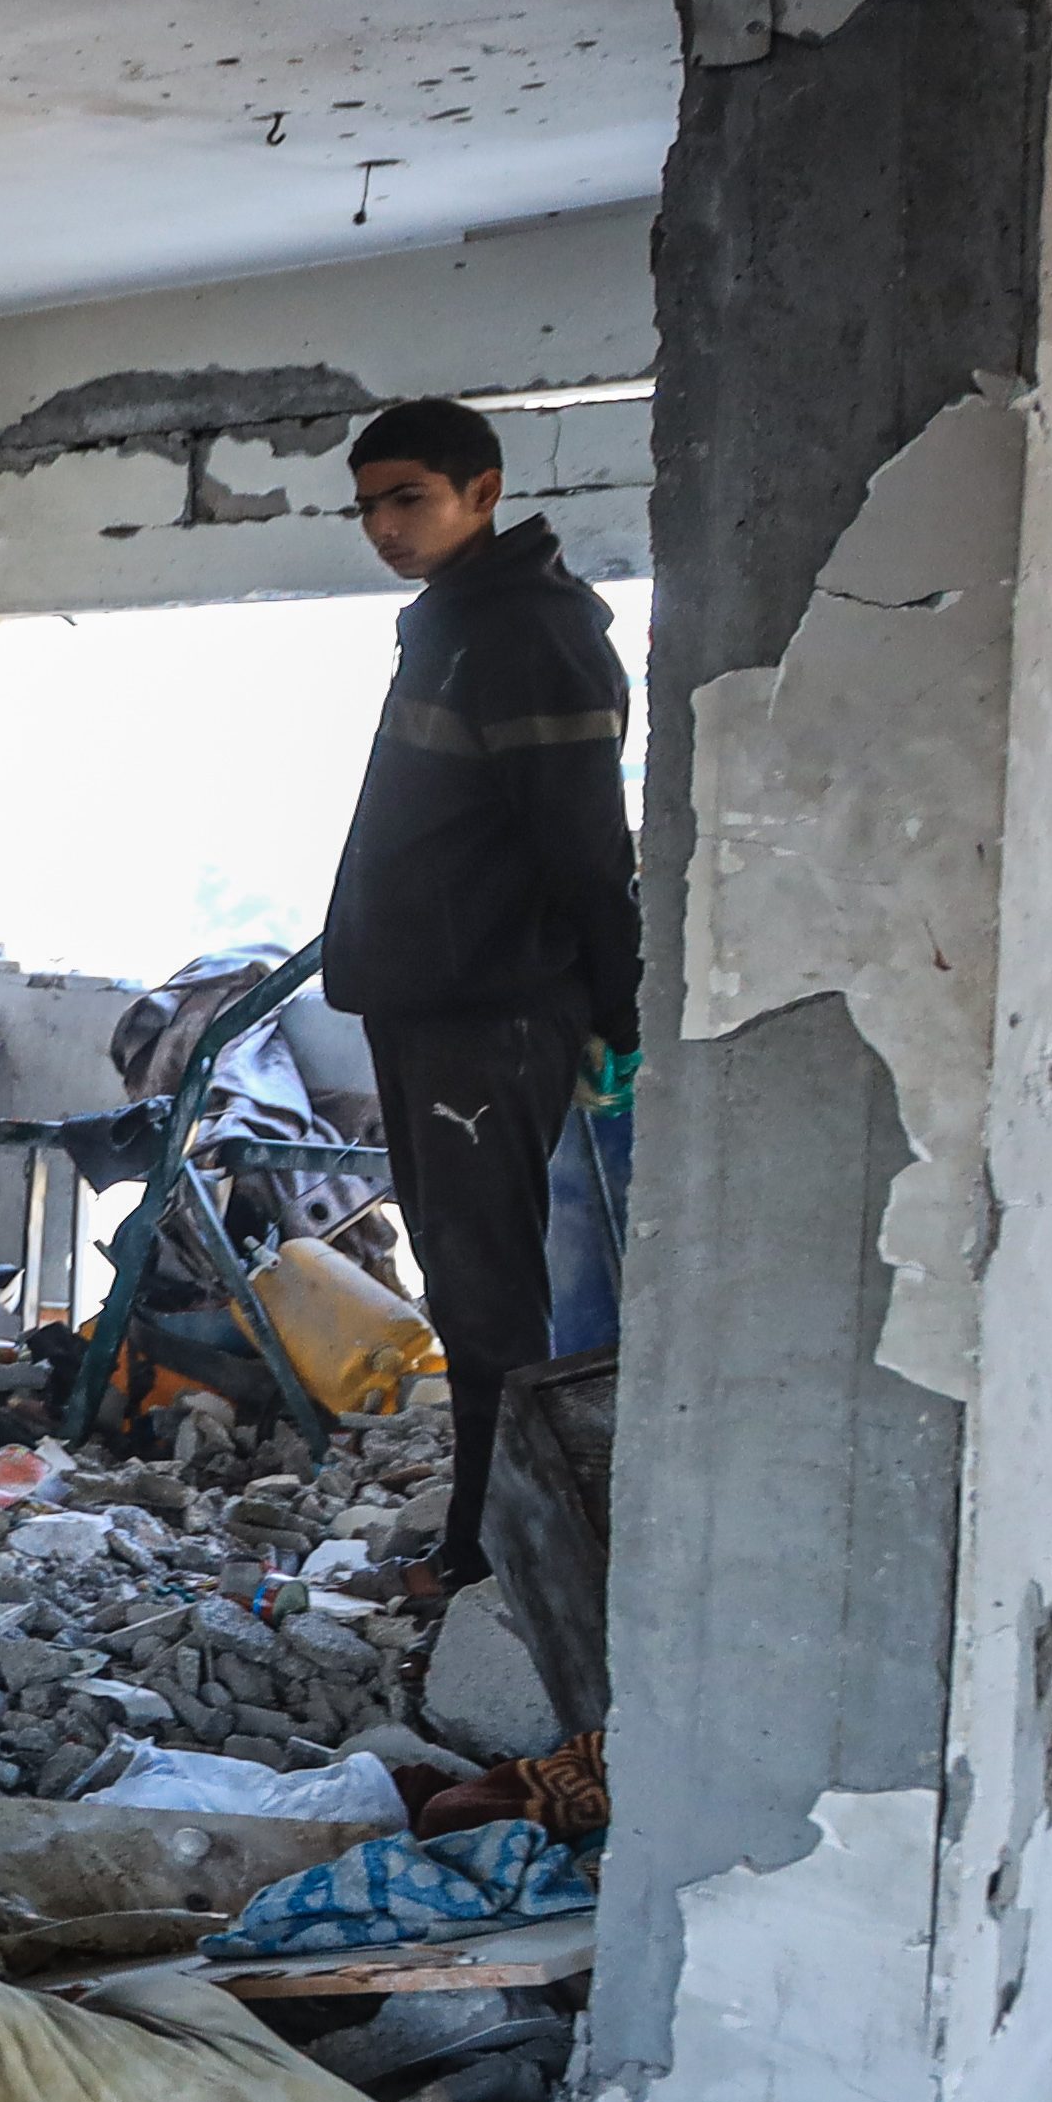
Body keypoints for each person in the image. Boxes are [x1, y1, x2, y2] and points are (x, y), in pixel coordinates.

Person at [313, 397, 638, 1595]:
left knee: (492, 1298)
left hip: (493, 1011)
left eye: (409, 499)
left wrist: (620, 1011)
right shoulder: (453, 624)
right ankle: (488, 1545)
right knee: (464, 1283)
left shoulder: (529, 634)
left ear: (485, 493)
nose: (384, 528)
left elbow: (588, 849)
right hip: (433, 1004)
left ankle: (492, 1567)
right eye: (369, 507)